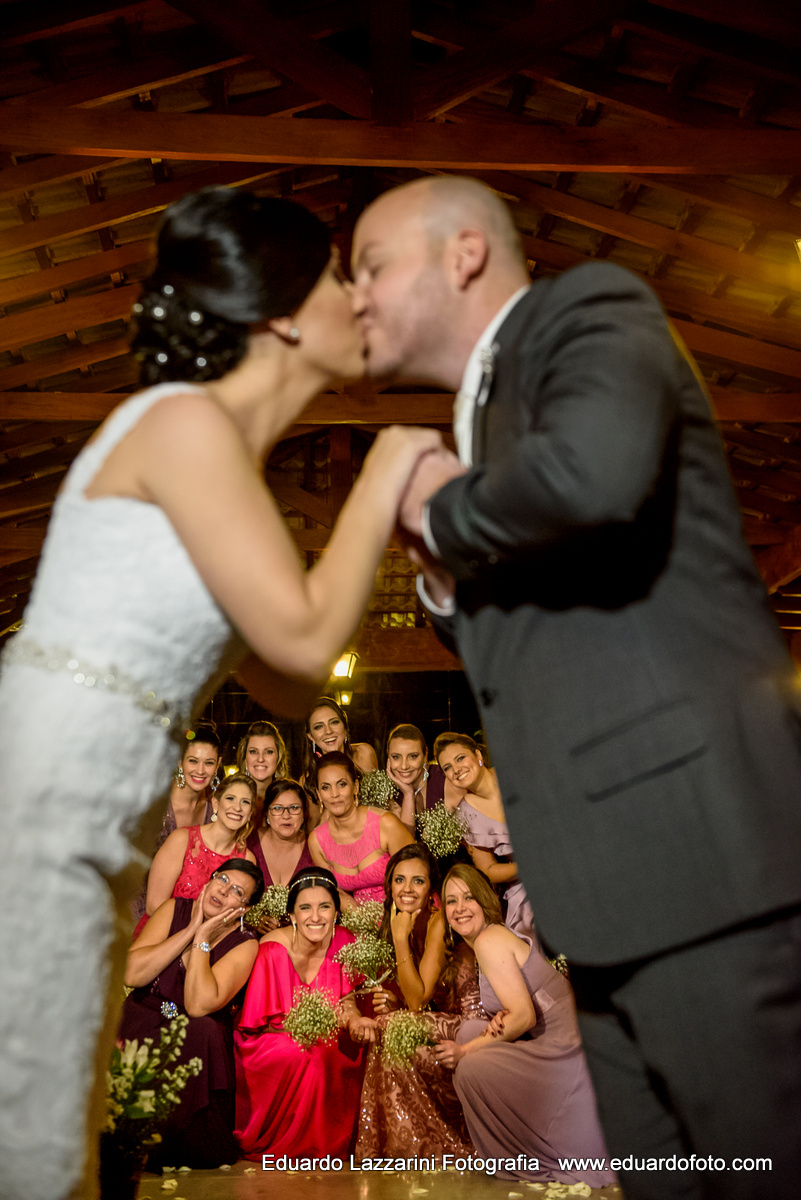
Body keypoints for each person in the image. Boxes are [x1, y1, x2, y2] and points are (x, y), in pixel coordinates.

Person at [351, 172, 801, 1200]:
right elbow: (526, 658)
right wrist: (437, 572)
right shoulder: (490, 428)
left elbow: (597, 475)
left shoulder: (586, 310)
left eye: (371, 267)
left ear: (464, 251)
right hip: (600, 904)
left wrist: (439, 502)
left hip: (699, 862)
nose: (355, 299)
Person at [0, 184, 443, 1200]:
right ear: (284, 314)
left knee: (51, 1127)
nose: (360, 299)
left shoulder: (225, 469)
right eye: (340, 277)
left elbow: (290, 685)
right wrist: (389, 464)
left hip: (93, 828)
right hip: (39, 811)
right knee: (29, 1140)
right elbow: (305, 633)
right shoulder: (182, 425)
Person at [436, 864, 613, 1186]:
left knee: (471, 1066)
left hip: (568, 1051)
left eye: (468, 898)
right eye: (451, 901)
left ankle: (532, 1155)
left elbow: (524, 1017)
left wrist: (465, 1052)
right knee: (471, 1029)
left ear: (484, 900)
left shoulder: (490, 940)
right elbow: (519, 1009)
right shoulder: (486, 940)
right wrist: (495, 1024)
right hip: (550, 1040)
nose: (460, 908)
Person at [120, 858, 262, 1168]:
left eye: (237, 891)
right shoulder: (175, 909)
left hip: (193, 1034)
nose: (224, 891)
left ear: (245, 908)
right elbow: (131, 975)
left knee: (203, 1029)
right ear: (210, 879)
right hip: (144, 1016)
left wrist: (203, 940)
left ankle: (170, 1141)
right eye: (222, 879)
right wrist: (189, 930)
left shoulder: (246, 943)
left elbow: (199, 1004)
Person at [234, 866, 370, 1158]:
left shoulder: (345, 941)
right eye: (305, 908)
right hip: (269, 1040)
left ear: (336, 912)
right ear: (293, 916)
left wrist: (354, 1019)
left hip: (331, 1034)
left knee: (337, 1051)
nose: (316, 917)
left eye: (325, 907)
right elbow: (258, 1025)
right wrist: (308, 1031)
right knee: (307, 1054)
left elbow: (348, 1002)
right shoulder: (271, 949)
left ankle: (334, 1142)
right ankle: (303, 1146)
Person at [356, 844, 481, 1158]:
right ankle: (405, 1142)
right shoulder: (395, 923)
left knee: (389, 1027)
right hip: (441, 1024)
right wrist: (395, 1003)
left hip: (472, 1026)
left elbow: (418, 1001)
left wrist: (400, 939)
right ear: (389, 886)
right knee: (387, 1026)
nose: (407, 889)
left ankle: (421, 1143)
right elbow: (416, 1003)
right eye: (399, 880)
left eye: (418, 881)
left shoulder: (439, 922)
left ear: (432, 891)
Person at [434, 731, 534, 937]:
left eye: (460, 758)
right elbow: (487, 869)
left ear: (478, 756)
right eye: (448, 768)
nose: (456, 769)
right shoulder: (464, 816)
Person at [131, 723, 222, 921]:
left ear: (218, 764)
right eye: (193, 761)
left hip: (192, 914)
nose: (200, 770)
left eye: (208, 763)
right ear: (180, 762)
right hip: (142, 911)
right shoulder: (155, 802)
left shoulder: (216, 806)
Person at [143, 771, 258, 917]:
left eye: (245, 802)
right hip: (163, 933)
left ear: (250, 813)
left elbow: (234, 916)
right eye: (230, 798)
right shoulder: (182, 839)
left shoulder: (246, 859)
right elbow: (154, 906)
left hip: (213, 937)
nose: (237, 808)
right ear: (216, 803)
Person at [309, 751, 412, 904]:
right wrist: (358, 920)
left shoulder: (385, 824)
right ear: (318, 794)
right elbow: (334, 892)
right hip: (355, 919)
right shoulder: (317, 840)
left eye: (342, 784)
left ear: (355, 787)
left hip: (402, 908)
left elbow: (415, 876)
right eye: (326, 787)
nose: (334, 794)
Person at [245, 778, 314, 929]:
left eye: (294, 808)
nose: (286, 815)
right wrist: (253, 918)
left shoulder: (314, 847)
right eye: (277, 808)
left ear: (304, 813)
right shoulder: (249, 844)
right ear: (267, 814)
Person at [385, 722, 465, 834]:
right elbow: (404, 846)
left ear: (425, 755)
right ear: (388, 757)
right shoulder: (387, 793)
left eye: (413, 756)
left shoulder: (447, 782)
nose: (404, 766)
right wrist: (408, 794)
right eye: (396, 757)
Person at [235, 719, 288, 806]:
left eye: (269, 752)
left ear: (279, 757)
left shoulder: (291, 797)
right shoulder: (229, 796)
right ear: (245, 757)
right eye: (253, 751)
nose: (260, 759)